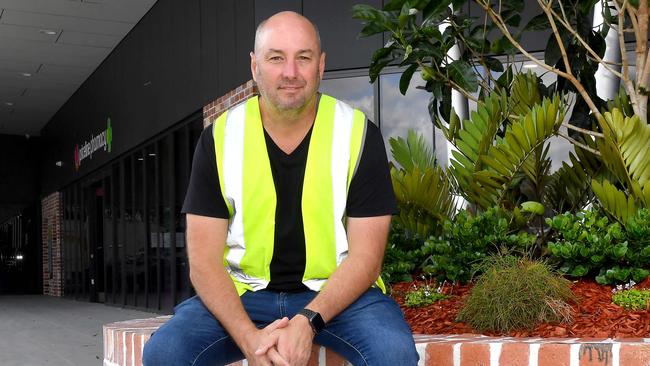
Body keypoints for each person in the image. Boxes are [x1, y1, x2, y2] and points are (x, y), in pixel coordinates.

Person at [143, 11, 418, 366]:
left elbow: (367, 258)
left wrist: (309, 320)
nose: (290, 72)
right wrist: (249, 340)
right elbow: (204, 263)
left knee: (394, 354)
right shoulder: (220, 138)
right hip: (245, 293)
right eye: (276, 58)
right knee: (164, 354)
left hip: (335, 297)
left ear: (321, 66)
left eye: (303, 58)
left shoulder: (358, 133)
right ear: (255, 66)